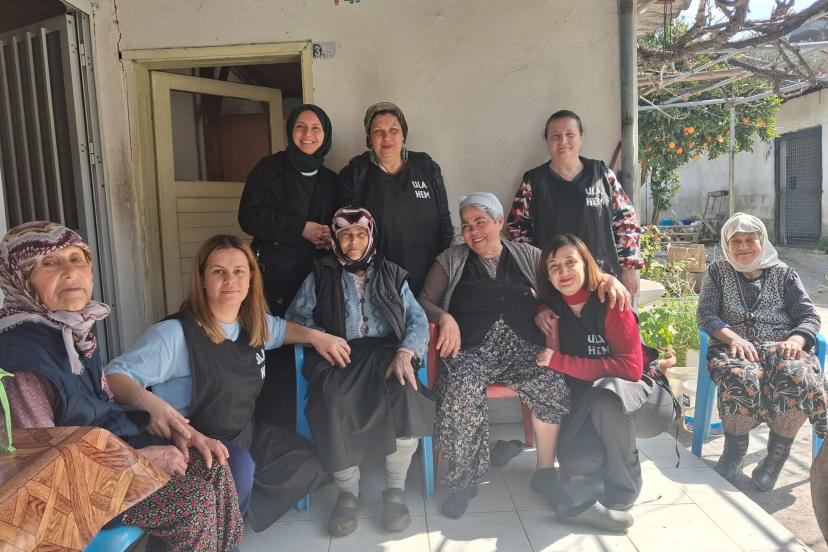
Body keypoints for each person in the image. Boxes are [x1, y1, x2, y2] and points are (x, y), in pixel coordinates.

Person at [0, 221, 242, 551]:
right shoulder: (21, 359)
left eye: (77, 259)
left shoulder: (72, 330)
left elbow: (101, 402)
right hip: (75, 491)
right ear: (20, 278)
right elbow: (42, 474)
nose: (70, 272)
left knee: (215, 468)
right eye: (49, 263)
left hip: (109, 455)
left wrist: (168, 425)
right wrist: (139, 462)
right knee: (192, 501)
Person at [105, 234, 349, 531]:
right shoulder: (174, 334)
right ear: (202, 279)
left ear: (251, 279)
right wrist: (150, 404)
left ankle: (233, 513)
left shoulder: (253, 325)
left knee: (309, 462)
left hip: (245, 433)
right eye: (218, 271)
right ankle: (224, 520)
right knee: (238, 470)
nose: (230, 280)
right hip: (197, 442)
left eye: (239, 271)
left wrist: (317, 337)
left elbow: (283, 330)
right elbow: (114, 375)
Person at [418, 192, 578, 520]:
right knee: (459, 388)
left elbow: (558, 288)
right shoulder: (450, 260)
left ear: (500, 222)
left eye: (480, 222)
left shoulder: (528, 255)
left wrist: (543, 306)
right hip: (470, 351)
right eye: (466, 225)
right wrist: (445, 318)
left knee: (550, 380)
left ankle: (545, 473)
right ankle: (463, 481)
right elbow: (423, 301)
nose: (473, 231)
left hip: (522, 348)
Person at [287, 207, 434, 537]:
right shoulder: (321, 274)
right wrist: (321, 338)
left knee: (405, 391)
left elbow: (418, 319)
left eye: (360, 234)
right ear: (336, 240)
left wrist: (406, 351)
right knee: (329, 398)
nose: (353, 241)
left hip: (387, 352)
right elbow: (295, 318)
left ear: (371, 237)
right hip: (339, 352)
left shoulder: (392, 273)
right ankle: (348, 494)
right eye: (345, 235)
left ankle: (395, 490)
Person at [535, 233, 676, 531]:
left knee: (606, 394)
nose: (563, 272)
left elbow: (630, 369)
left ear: (586, 264)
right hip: (593, 402)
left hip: (645, 400)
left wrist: (560, 361)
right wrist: (539, 309)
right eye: (554, 266)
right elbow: (531, 300)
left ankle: (623, 490)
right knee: (577, 460)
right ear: (547, 276)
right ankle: (612, 454)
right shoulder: (553, 306)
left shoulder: (611, 299)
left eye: (571, 263)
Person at [697, 213, 825, 491]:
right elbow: (706, 314)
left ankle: (776, 456)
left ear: (761, 240)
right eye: (736, 241)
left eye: (750, 240)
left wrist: (795, 340)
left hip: (782, 347)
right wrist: (734, 338)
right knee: (740, 377)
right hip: (733, 348)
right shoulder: (717, 272)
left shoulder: (783, 273)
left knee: (796, 376)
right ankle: (735, 450)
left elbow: (808, 315)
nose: (743, 246)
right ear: (727, 244)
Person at [238, 103, 338, 429]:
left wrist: (330, 237)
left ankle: (307, 427)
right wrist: (301, 229)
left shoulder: (331, 180)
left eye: (315, 128)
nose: (308, 134)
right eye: (300, 127)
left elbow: (343, 224)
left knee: (309, 348)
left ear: (325, 135)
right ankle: (270, 426)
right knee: (270, 347)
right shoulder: (269, 170)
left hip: (314, 279)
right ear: (290, 131)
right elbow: (249, 217)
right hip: (272, 278)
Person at [507, 109, 643, 294]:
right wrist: (533, 272)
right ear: (547, 140)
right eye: (555, 136)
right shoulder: (533, 182)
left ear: (581, 137)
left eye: (570, 134)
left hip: (602, 280)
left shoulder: (602, 175)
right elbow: (517, 231)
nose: (562, 141)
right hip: (555, 282)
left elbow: (626, 221)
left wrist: (629, 267)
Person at [338, 101, 453, 294]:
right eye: (378, 132)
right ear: (369, 138)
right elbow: (346, 235)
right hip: (378, 283)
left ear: (403, 134)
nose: (387, 138)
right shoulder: (354, 175)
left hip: (429, 279)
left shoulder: (427, 167)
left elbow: (444, 222)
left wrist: (444, 272)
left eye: (394, 130)